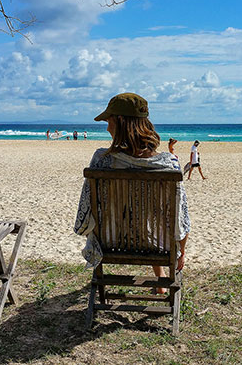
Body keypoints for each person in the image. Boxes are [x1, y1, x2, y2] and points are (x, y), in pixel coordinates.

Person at [74, 92, 190, 288]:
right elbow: (180, 216)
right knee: (147, 217)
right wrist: (181, 252)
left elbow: (85, 214)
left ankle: (159, 282)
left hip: (111, 242)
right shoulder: (168, 165)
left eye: (108, 121)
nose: (107, 127)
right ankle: (162, 282)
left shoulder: (102, 161)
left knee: (136, 216)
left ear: (119, 121)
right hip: (157, 245)